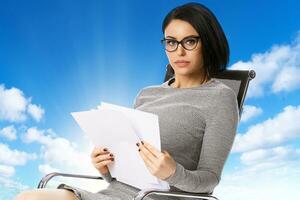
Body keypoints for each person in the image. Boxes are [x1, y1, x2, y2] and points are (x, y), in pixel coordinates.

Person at [15, 2, 239, 200]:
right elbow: (121, 176)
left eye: (189, 41)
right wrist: (105, 166)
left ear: (208, 43)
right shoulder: (146, 94)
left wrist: (173, 173)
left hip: (160, 198)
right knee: (28, 198)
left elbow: (209, 180)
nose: (178, 51)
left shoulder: (220, 98)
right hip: (115, 194)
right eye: (171, 42)